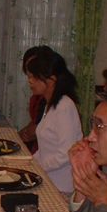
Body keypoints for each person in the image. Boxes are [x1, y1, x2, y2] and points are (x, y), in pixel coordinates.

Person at [24, 47, 82, 194]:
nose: (30, 81)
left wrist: (38, 166)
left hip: (61, 187)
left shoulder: (64, 106)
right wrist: (29, 161)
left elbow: (66, 153)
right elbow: (45, 149)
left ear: (51, 80)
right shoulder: (49, 104)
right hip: (48, 179)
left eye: (34, 77)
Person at [17, 46, 47, 153]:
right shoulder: (37, 97)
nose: (29, 80)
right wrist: (19, 135)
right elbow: (35, 121)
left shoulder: (60, 103)